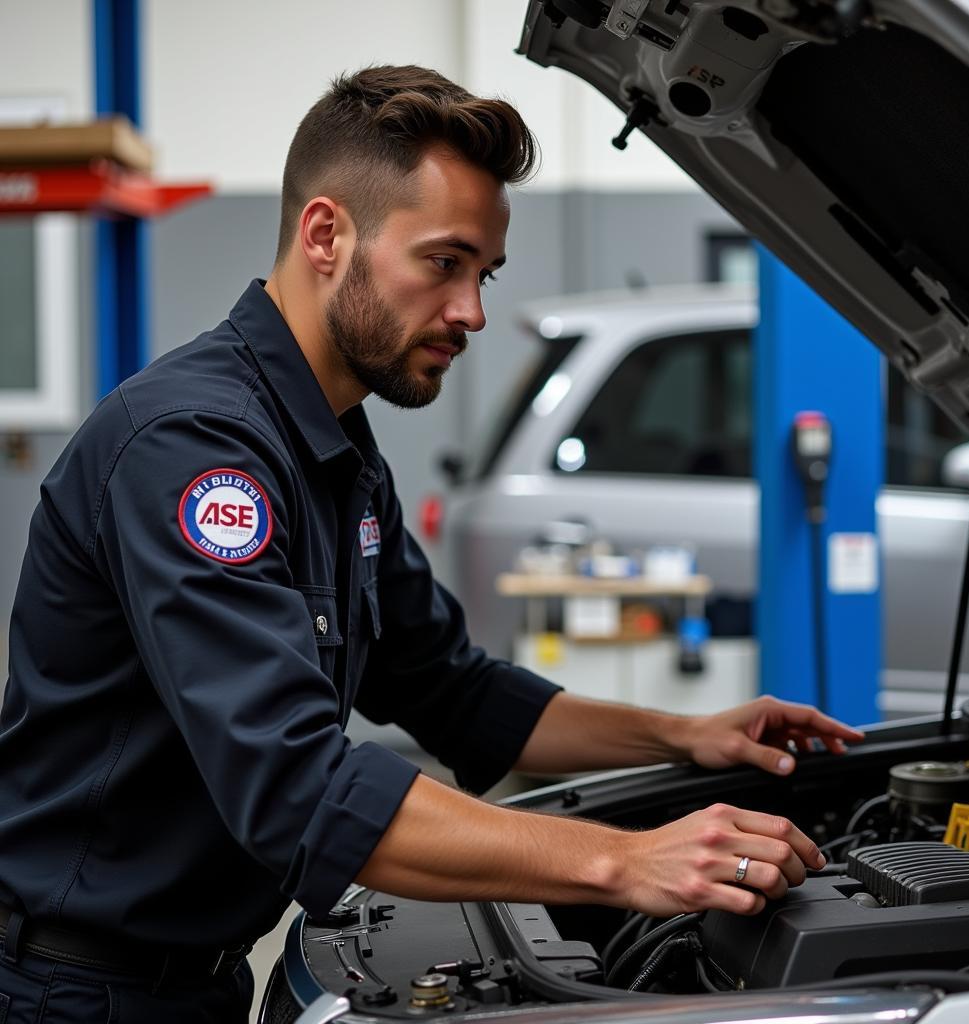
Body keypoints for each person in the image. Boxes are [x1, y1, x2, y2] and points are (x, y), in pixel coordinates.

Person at [0, 65, 863, 1022]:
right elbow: (300, 790)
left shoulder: (335, 448)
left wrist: (683, 734)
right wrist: (625, 860)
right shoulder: (194, 452)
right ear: (326, 235)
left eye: (482, 274)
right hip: (70, 990)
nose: (471, 313)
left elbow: (452, 689)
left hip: (195, 981)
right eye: (443, 264)